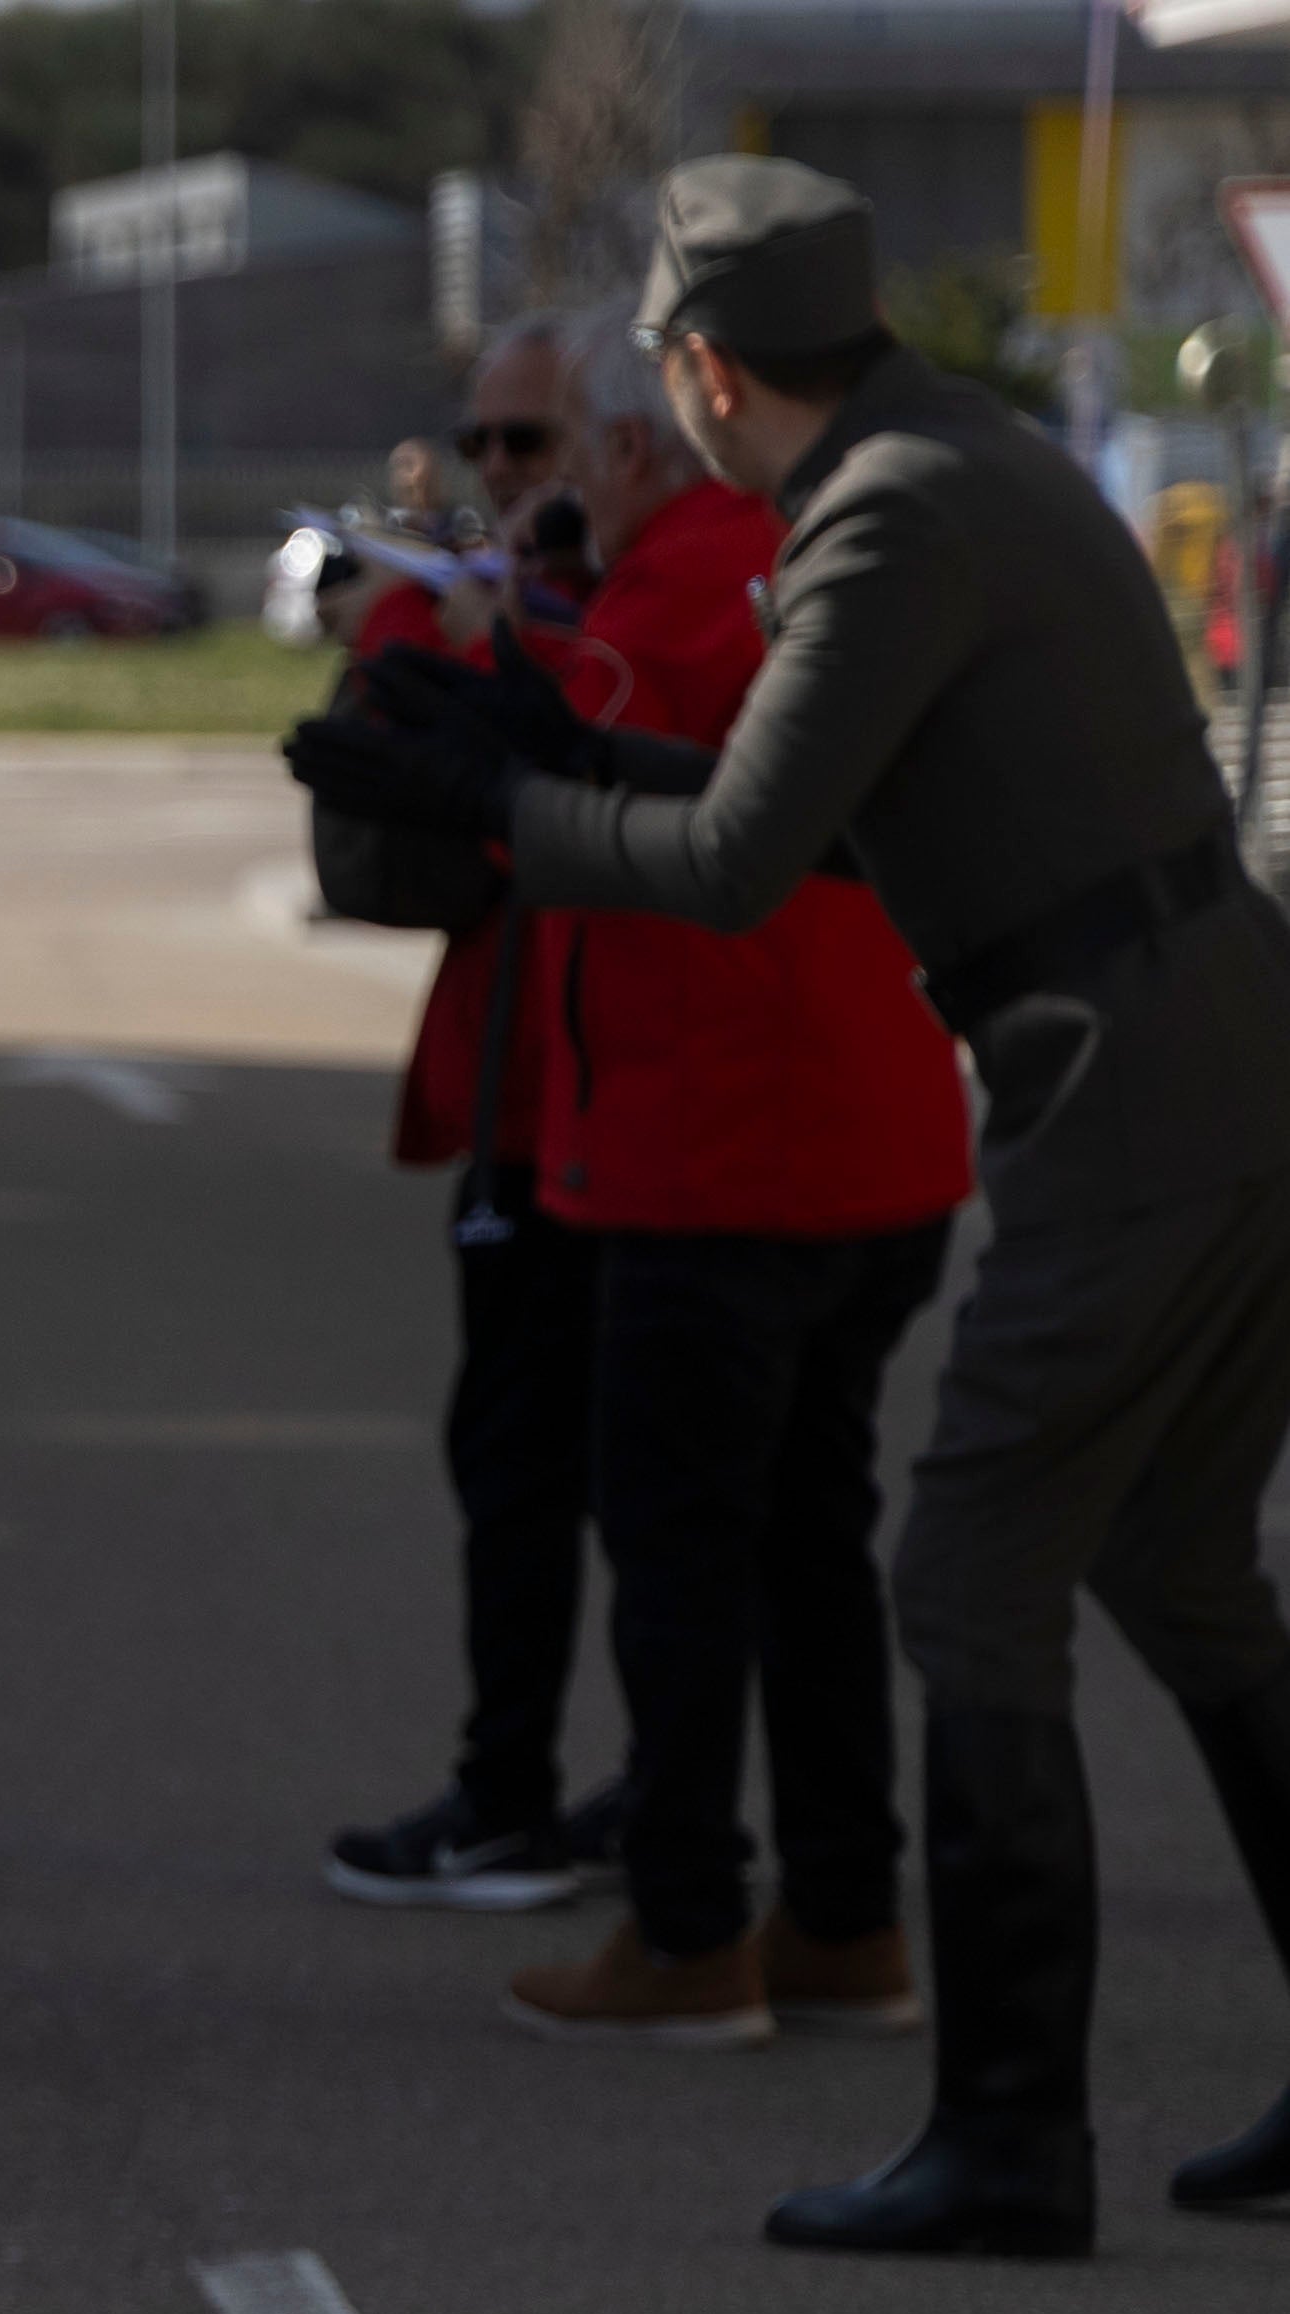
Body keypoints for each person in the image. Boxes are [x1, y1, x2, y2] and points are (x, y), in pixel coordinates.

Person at [299, 156, 1290, 2251]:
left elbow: (744, 869)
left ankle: (1011, 2142)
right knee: (1180, 1573)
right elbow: (817, 824)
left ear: (700, 368)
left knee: (969, 1578)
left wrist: (495, 801)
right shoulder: (963, 459)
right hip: (1196, 1052)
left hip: (1126, 1090)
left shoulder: (878, 518)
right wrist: (528, 748)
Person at [482, 309, 973, 2050]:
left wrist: (464, 666)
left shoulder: (677, 582)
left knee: (686, 1547)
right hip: (876, 1135)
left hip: (720, 1148)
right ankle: (846, 1911)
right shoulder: (817, 551)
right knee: (812, 1541)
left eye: (559, 456)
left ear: (635, 446)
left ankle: (692, 1919)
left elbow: (559, 779)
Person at [316, 317, 626, 1914]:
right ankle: (618, 1786)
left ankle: (534, 1793)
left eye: (532, 441)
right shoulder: (538, 594)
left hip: (596, 1104)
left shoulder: (619, 599)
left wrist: (420, 640)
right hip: (532, 1093)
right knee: (540, 1459)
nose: (503, 472)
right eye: (486, 441)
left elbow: (520, 744)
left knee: (550, 1464)